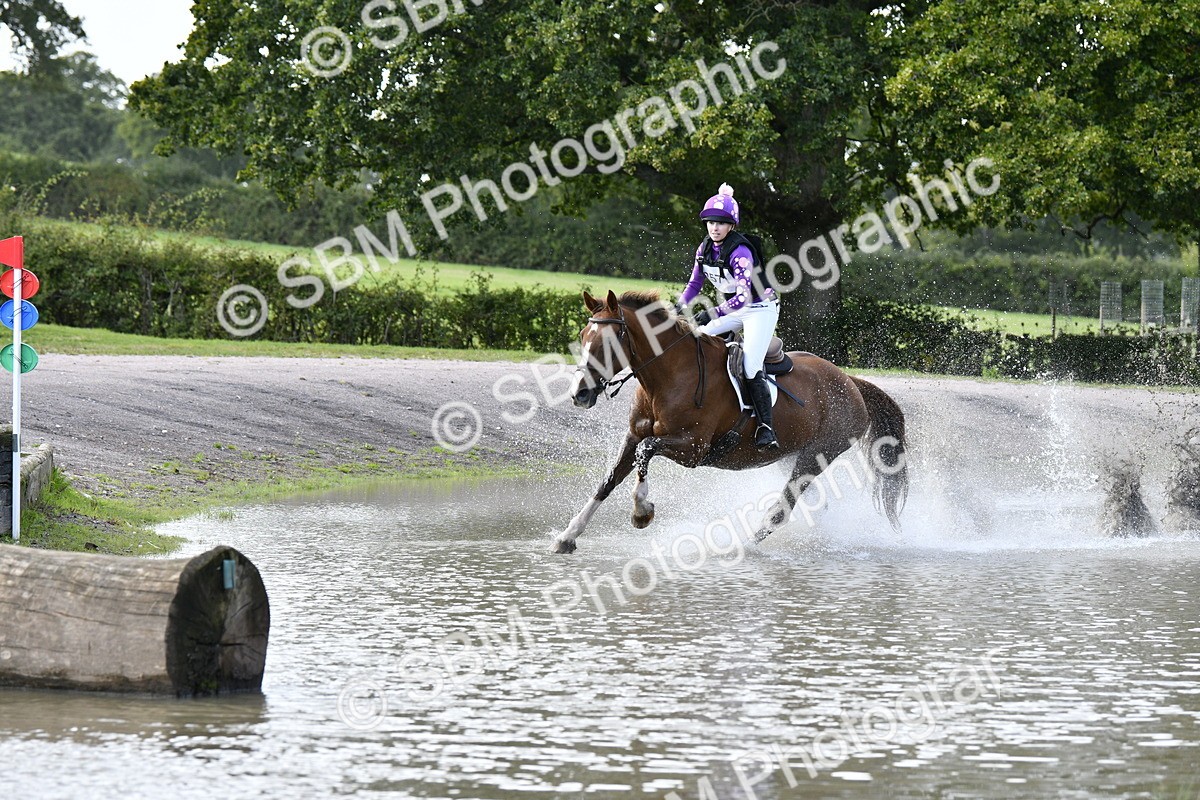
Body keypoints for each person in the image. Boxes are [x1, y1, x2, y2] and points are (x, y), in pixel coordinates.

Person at [676, 183, 781, 450]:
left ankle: (766, 428)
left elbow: (744, 298)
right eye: (711, 222)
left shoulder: (740, 252)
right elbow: (694, 286)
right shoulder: (704, 250)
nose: (715, 228)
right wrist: (676, 310)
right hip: (734, 308)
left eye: (721, 223)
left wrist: (711, 312)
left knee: (749, 365)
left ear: (731, 226)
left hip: (760, 309)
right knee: (697, 343)